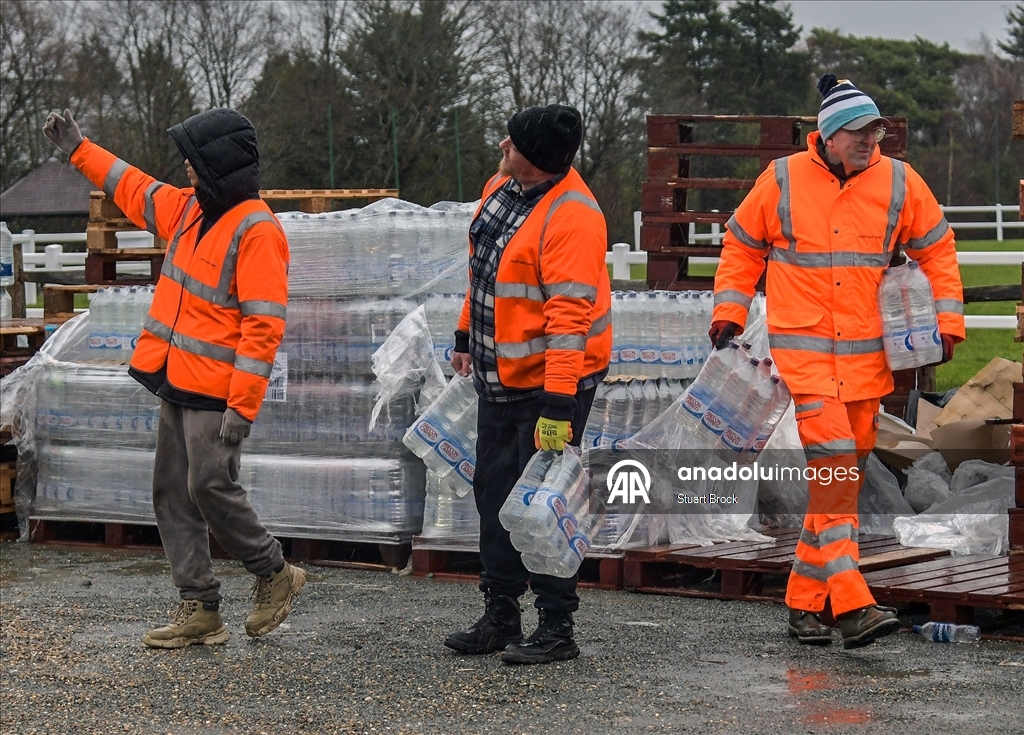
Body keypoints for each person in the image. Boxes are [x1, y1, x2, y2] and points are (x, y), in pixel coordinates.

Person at [710, 75, 965, 650]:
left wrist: (947, 322)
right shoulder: (782, 179)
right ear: (827, 136)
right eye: (858, 133)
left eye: (876, 132)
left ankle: (804, 605)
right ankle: (851, 602)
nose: (870, 142)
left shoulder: (899, 181)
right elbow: (742, 245)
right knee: (834, 471)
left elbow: (938, 248)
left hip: (868, 363)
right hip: (806, 359)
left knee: (838, 485)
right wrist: (729, 308)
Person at [43, 107, 305, 648]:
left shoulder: (257, 230)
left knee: (209, 486)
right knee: (171, 492)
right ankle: (200, 607)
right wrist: (79, 150)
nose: (185, 166)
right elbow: (131, 185)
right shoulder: (188, 209)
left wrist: (242, 405)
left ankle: (274, 570)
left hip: (219, 392)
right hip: (177, 379)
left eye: (193, 158)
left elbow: (263, 326)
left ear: (217, 163)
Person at [444, 104, 611, 665]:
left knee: (542, 501)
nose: (502, 147)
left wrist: (558, 404)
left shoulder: (574, 217)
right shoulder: (501, 188)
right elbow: (483, 273)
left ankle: (557, 626)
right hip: (499, 379)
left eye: (512, 142)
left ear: (535, 159)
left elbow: (569, 319)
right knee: (493, 494)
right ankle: (500, 615)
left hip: (551, 384)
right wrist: (465, 334)